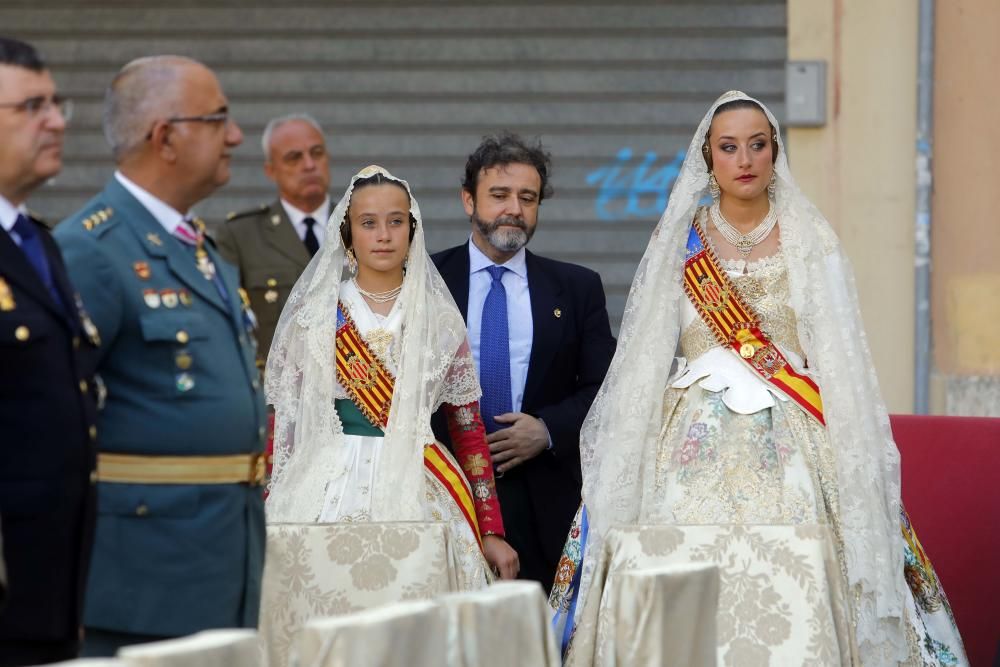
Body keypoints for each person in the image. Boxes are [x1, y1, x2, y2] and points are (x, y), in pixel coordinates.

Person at [549, 91, 967, 665]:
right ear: (708, 158)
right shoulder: (679, 239)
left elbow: (841, 355)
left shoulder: (809, 238)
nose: (744, 158)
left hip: (793, 424)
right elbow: (644, 353)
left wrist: (852, 452)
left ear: (775, 152)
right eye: (728, 147)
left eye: (757, 145)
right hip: (687, 427)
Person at [54, 55, 267, 656]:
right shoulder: (91, 250)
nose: (236, 135)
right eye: (218, 118)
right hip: (143, 581)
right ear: (165, 136)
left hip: (224, 557)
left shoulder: (199, 247)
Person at [265, 165, 518, 590]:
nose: (383, 234)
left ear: (412, 230)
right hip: (325, 484)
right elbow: (281, 427)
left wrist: (490, 528)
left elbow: (468, 429)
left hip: (419, 483)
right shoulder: (314, 319)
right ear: (348, 235)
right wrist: (264, 507)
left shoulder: (438, 319)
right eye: (368, 223)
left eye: (395, 222)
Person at [432, 133, 616, 592]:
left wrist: (547, 428)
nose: (514, 207)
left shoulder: (577, 288)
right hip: (445, 494)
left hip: (546, 501)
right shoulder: (426, 281)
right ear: (468, 200)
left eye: (527, 197)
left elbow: (608, 387)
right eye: (499, 195)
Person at [0, 35, 98, 667]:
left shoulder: (39, 243)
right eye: (32, 106)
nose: (58, 120)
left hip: (52, 589)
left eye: (56, 102)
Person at [212, 113, 333, 368]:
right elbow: (225, 330)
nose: (309, 164)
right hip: (276, 400)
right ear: (270, 171)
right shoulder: (240, 236)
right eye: (294, 157)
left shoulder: (363, 227)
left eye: (317, 153)